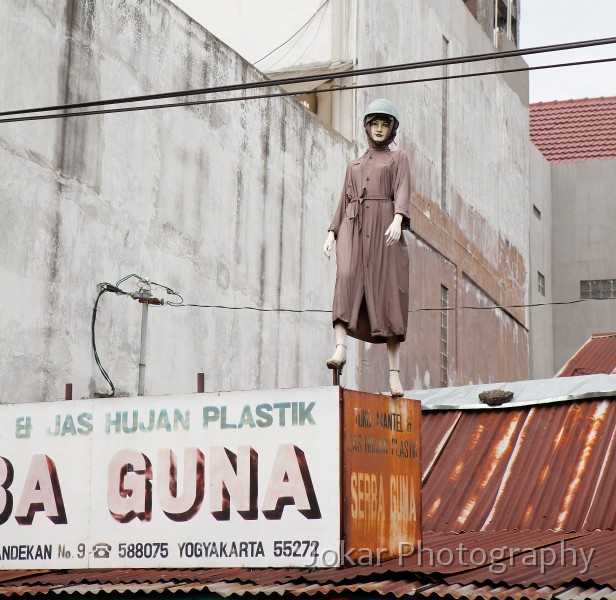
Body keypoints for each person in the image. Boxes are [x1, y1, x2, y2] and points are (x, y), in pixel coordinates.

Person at [323, 99, 411, 397]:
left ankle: (395, 375)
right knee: (346, 278)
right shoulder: (354, 165)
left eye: (385, 124)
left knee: (388, 294)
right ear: (367, 126)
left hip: (385, 225)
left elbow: (402, 188)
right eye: (375, 124)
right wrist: (332, 232)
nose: (379, 129)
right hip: (354, 226)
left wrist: (399, 218)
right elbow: (343, 200)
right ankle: (340, 348)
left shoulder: (398, 158)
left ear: (391, 129)